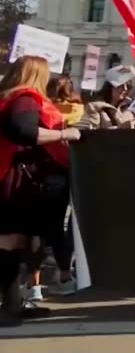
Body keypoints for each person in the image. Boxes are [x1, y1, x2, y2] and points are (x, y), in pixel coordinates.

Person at [0, 56, 79, 327]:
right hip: (12, 177)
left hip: (14, 174)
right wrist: (62, 135)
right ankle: (9, 308)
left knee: (16, 242)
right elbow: (22, 131)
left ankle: (13, 304)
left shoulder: (11, 97)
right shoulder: (25, 97)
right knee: (10, 242)